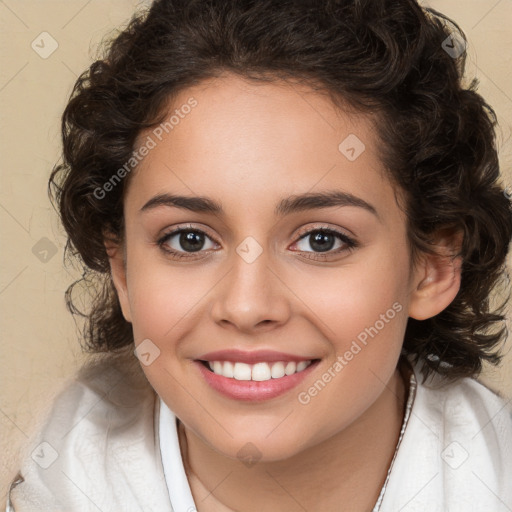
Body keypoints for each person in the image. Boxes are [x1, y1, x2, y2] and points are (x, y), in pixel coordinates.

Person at [6, 0, 512, 510]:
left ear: (433, 266)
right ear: (122, 270)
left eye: (322, 240)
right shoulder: (64, 479)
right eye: (189, 239)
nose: (247, 307)